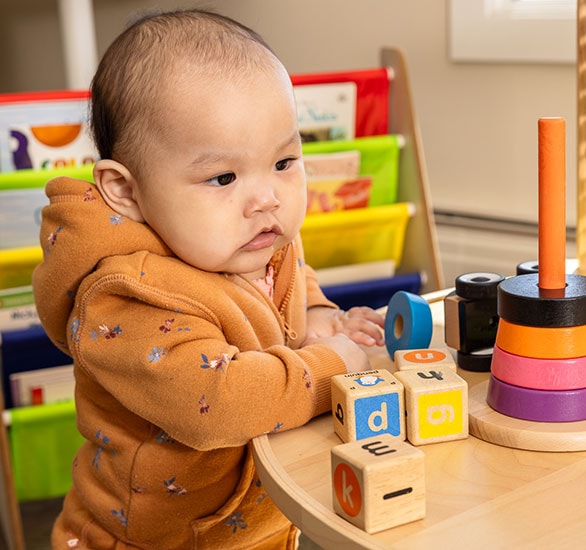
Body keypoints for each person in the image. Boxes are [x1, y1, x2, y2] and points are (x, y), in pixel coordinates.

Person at [33, 9, 385, 549]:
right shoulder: (127, 298)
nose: (267, 198)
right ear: (126, 193)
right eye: (224, 177)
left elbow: (290, 271)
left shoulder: (247, 236)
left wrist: (318, 316)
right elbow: (218, 400)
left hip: (254, 522)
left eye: (285, 162)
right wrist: (334, 363)